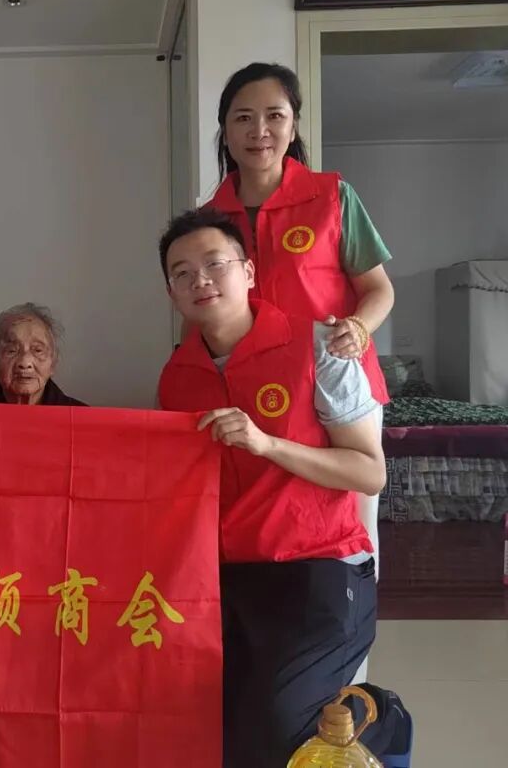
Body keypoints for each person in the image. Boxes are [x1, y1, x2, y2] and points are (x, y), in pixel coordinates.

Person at [157, 209, 411, 768]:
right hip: (227, 576)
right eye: (182, 273)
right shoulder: (177, 377)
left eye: (215, 264)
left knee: (278, 730)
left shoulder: (320, 348)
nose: (200, 280)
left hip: (319, 567)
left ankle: (384, 719)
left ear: (248, 272)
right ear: (171, 294)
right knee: (204, 726)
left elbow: (369, 472)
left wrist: (268, 444)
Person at [207, 61, 394, 574]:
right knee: (266, 517)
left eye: (274, 115)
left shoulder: (332, 197)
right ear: (225, 131)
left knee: (351, 526)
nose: (259, 130)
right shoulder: (210, 217)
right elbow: (204, 310)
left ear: (293, 126)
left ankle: (351, 620)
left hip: (337, 383)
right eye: (243, 118)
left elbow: (378, 290)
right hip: (254, 389)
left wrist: (359, 327)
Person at [0, 303, 86, 406]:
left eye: (38, 350)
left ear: (53, 361)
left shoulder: (80, 420)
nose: (25, 362)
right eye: (12, 351)